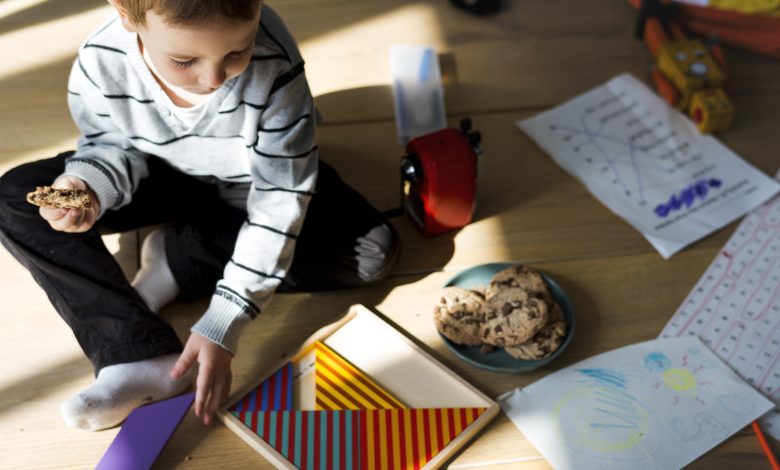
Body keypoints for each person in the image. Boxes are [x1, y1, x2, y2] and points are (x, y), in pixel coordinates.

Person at [0, 0, 399, 432]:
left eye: (236, 51)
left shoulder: (273, 66)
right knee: (14, 199)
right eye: (183, 60)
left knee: (372, 253)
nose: (213, 79)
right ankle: (134, 350)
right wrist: (88, 186)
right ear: (126, 15)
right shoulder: (103, 56)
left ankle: (181, 256)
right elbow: (108, 143)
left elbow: (280, 195)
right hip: (157, 171)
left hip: (249, 177)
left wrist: (224, 318)